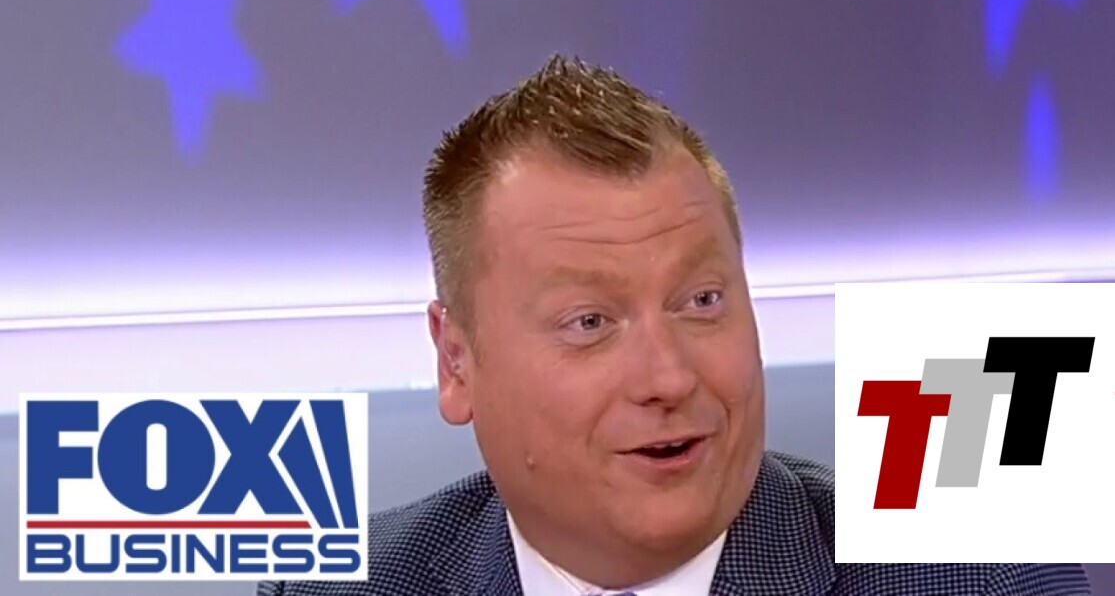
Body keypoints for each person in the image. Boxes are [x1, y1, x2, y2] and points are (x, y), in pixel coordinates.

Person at [258, 55, 1092, 595]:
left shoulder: (984, 577)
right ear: (455, 362)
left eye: (701, 301)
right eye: (589, 321)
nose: (668, 376)